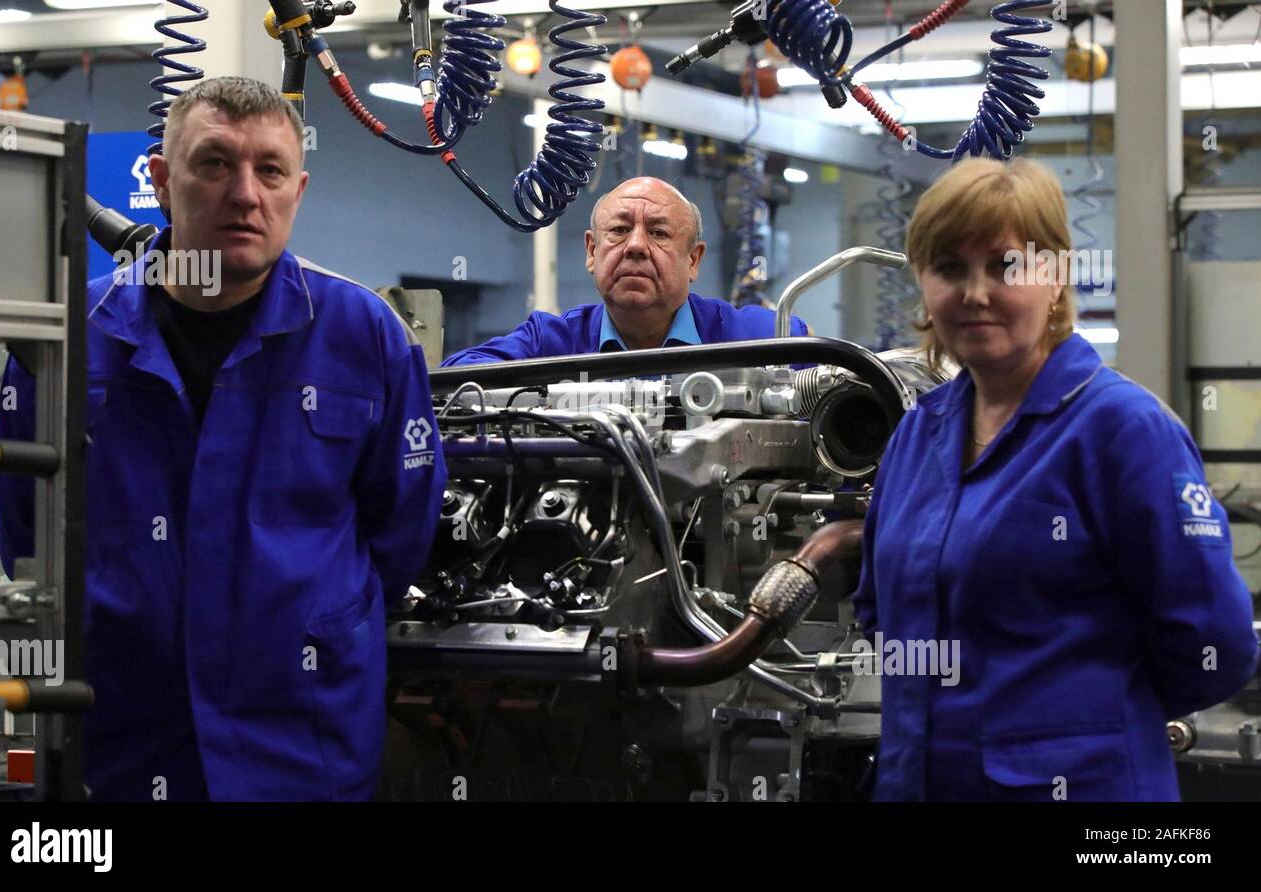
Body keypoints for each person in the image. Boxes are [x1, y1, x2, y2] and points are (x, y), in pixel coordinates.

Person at [0, 76, 446, 801]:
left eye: (269, 170)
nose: (245, 194)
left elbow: (401, 531)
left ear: (297, 190)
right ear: (162, 181)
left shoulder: (364, 337)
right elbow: (30, 542)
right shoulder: (65, 345)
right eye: (214, 164)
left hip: (303, 751)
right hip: (122, 746)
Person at [852, 157, 1259, 801]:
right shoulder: (918, 434)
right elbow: (881, 614)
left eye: (1006, 266)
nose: (976, 292)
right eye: (950, 268)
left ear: (1055, 276)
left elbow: (1216, 645)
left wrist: (1089, 714)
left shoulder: (1123, 431)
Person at [441, 176, 808, 365]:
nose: (634, 246)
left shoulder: (762, 338)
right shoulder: (550, 342)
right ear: (591, 250)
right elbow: (461, 378)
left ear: (693, 260)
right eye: (618, 230)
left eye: (659, 233)